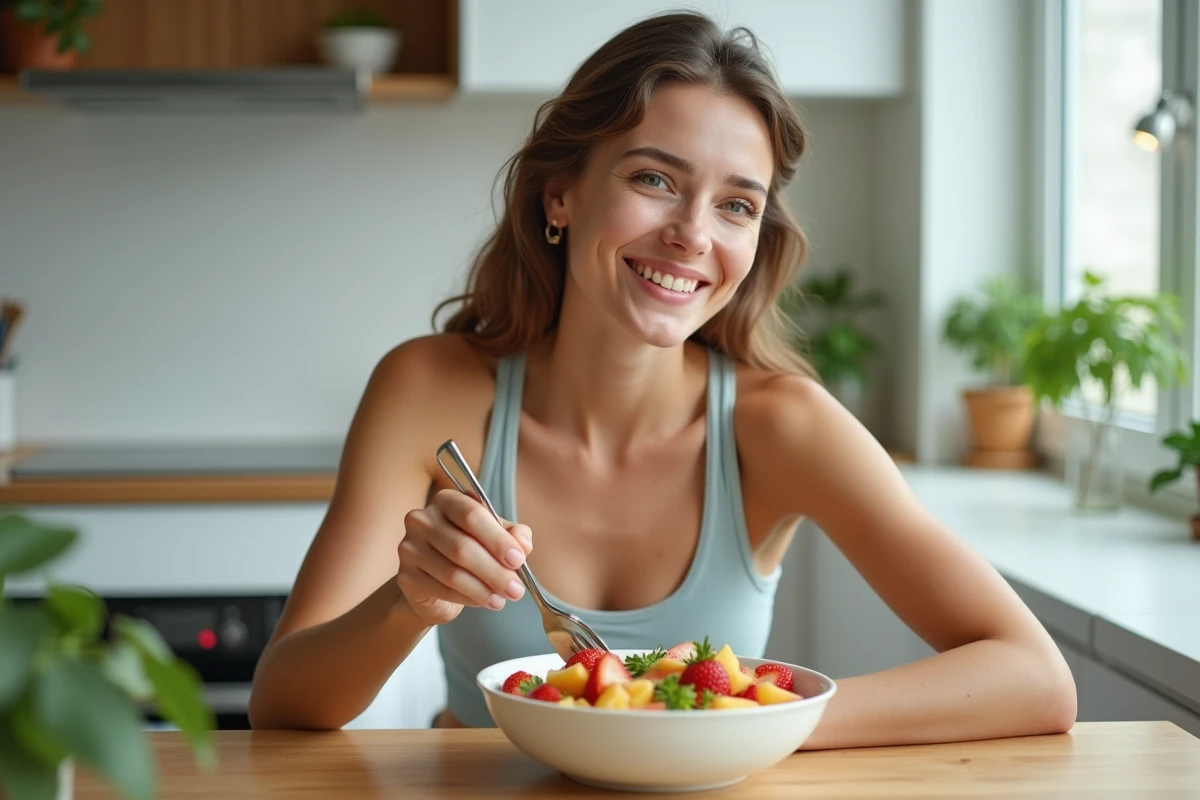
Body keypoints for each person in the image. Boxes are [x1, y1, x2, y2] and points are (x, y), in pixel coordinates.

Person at [248, 11, 1077, 748]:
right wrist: (409, 601)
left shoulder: (781, 424)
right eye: (654, 180)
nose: (691, 234)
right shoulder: (428, 388)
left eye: (736, 206)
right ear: (560, 194)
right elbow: (282, 704)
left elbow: (1035, 678)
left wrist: (754, 716)